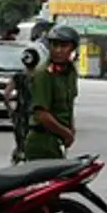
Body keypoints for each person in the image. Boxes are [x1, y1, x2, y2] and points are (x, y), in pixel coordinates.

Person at [24, 25, 80, 160]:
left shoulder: (70, 73)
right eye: (55, 45)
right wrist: (66, 133)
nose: (58, 50)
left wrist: (71, 128)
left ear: (72, 48)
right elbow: (42, 114)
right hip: (41, 141)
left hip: (58, 141)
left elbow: (68, 105)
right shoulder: (44, 74)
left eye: (64, 46)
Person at [3, 46, 41, 164]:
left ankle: (18, 159)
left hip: (21, 113)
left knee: (21, 141)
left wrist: (10, 111)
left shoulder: (18, 76)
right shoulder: (41, 76)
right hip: (37, 114)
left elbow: (6, 95)